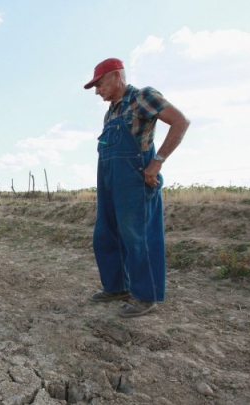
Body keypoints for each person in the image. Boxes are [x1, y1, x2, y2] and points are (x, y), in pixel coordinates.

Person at [84, 58, 190, 318]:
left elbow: (180, 122)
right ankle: (117, 286)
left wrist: (157, 163)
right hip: (109, 178)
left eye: (99, 84)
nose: (97, 91)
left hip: (134, 178)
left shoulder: (143, 97)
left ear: (116, 75)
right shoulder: (111, 111)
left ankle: (145, 295)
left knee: (138, 236)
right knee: (105, 234)